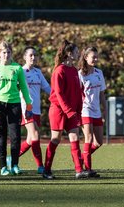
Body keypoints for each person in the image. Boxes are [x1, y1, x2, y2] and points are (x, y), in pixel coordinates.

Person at [42, 40, 87, 180]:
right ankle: (46, 170)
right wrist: (68, 110)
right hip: (59, 111)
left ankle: (79, 170)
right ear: (69, 53)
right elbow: (59, 94)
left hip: (71, 111)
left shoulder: (74, 70)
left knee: (75, 138)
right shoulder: (59, 70)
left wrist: (78, 111)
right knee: (55, 139)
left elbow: (78, 92)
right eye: (76, 52)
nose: (78, 54)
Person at [0, 41, 32, 176]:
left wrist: (28, 105)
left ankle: (15, 165)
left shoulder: (17, 68)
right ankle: (3, 167)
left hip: (14, 105)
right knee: (1, 137)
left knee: (15, 137)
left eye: (9, 52)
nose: (6, 55)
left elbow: (23, 87)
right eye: (4, 52)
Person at [19, 46, 51, 174]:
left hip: (36, 110)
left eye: (35, 55)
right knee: (35, 135)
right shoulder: (20, 72)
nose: (33, 57)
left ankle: (11, 159)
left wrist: (58, 98)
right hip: (26, 109)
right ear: (25, 57)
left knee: (29, 140)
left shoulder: (38, 72)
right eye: (30, 55)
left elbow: (47, 88)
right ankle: (40, 166)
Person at [78, 46, 106, 177]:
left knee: (98, 142)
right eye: (93, 57)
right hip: (85, 110)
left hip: (97, 111)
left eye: (96, 56)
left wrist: (105, 111)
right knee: (88, 138)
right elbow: (77, 95)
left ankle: (81, 160)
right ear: (85, 57)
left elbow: (102, 95)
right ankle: (87, 169)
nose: (95, 59)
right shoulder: (80, 75)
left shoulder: (99, 73)